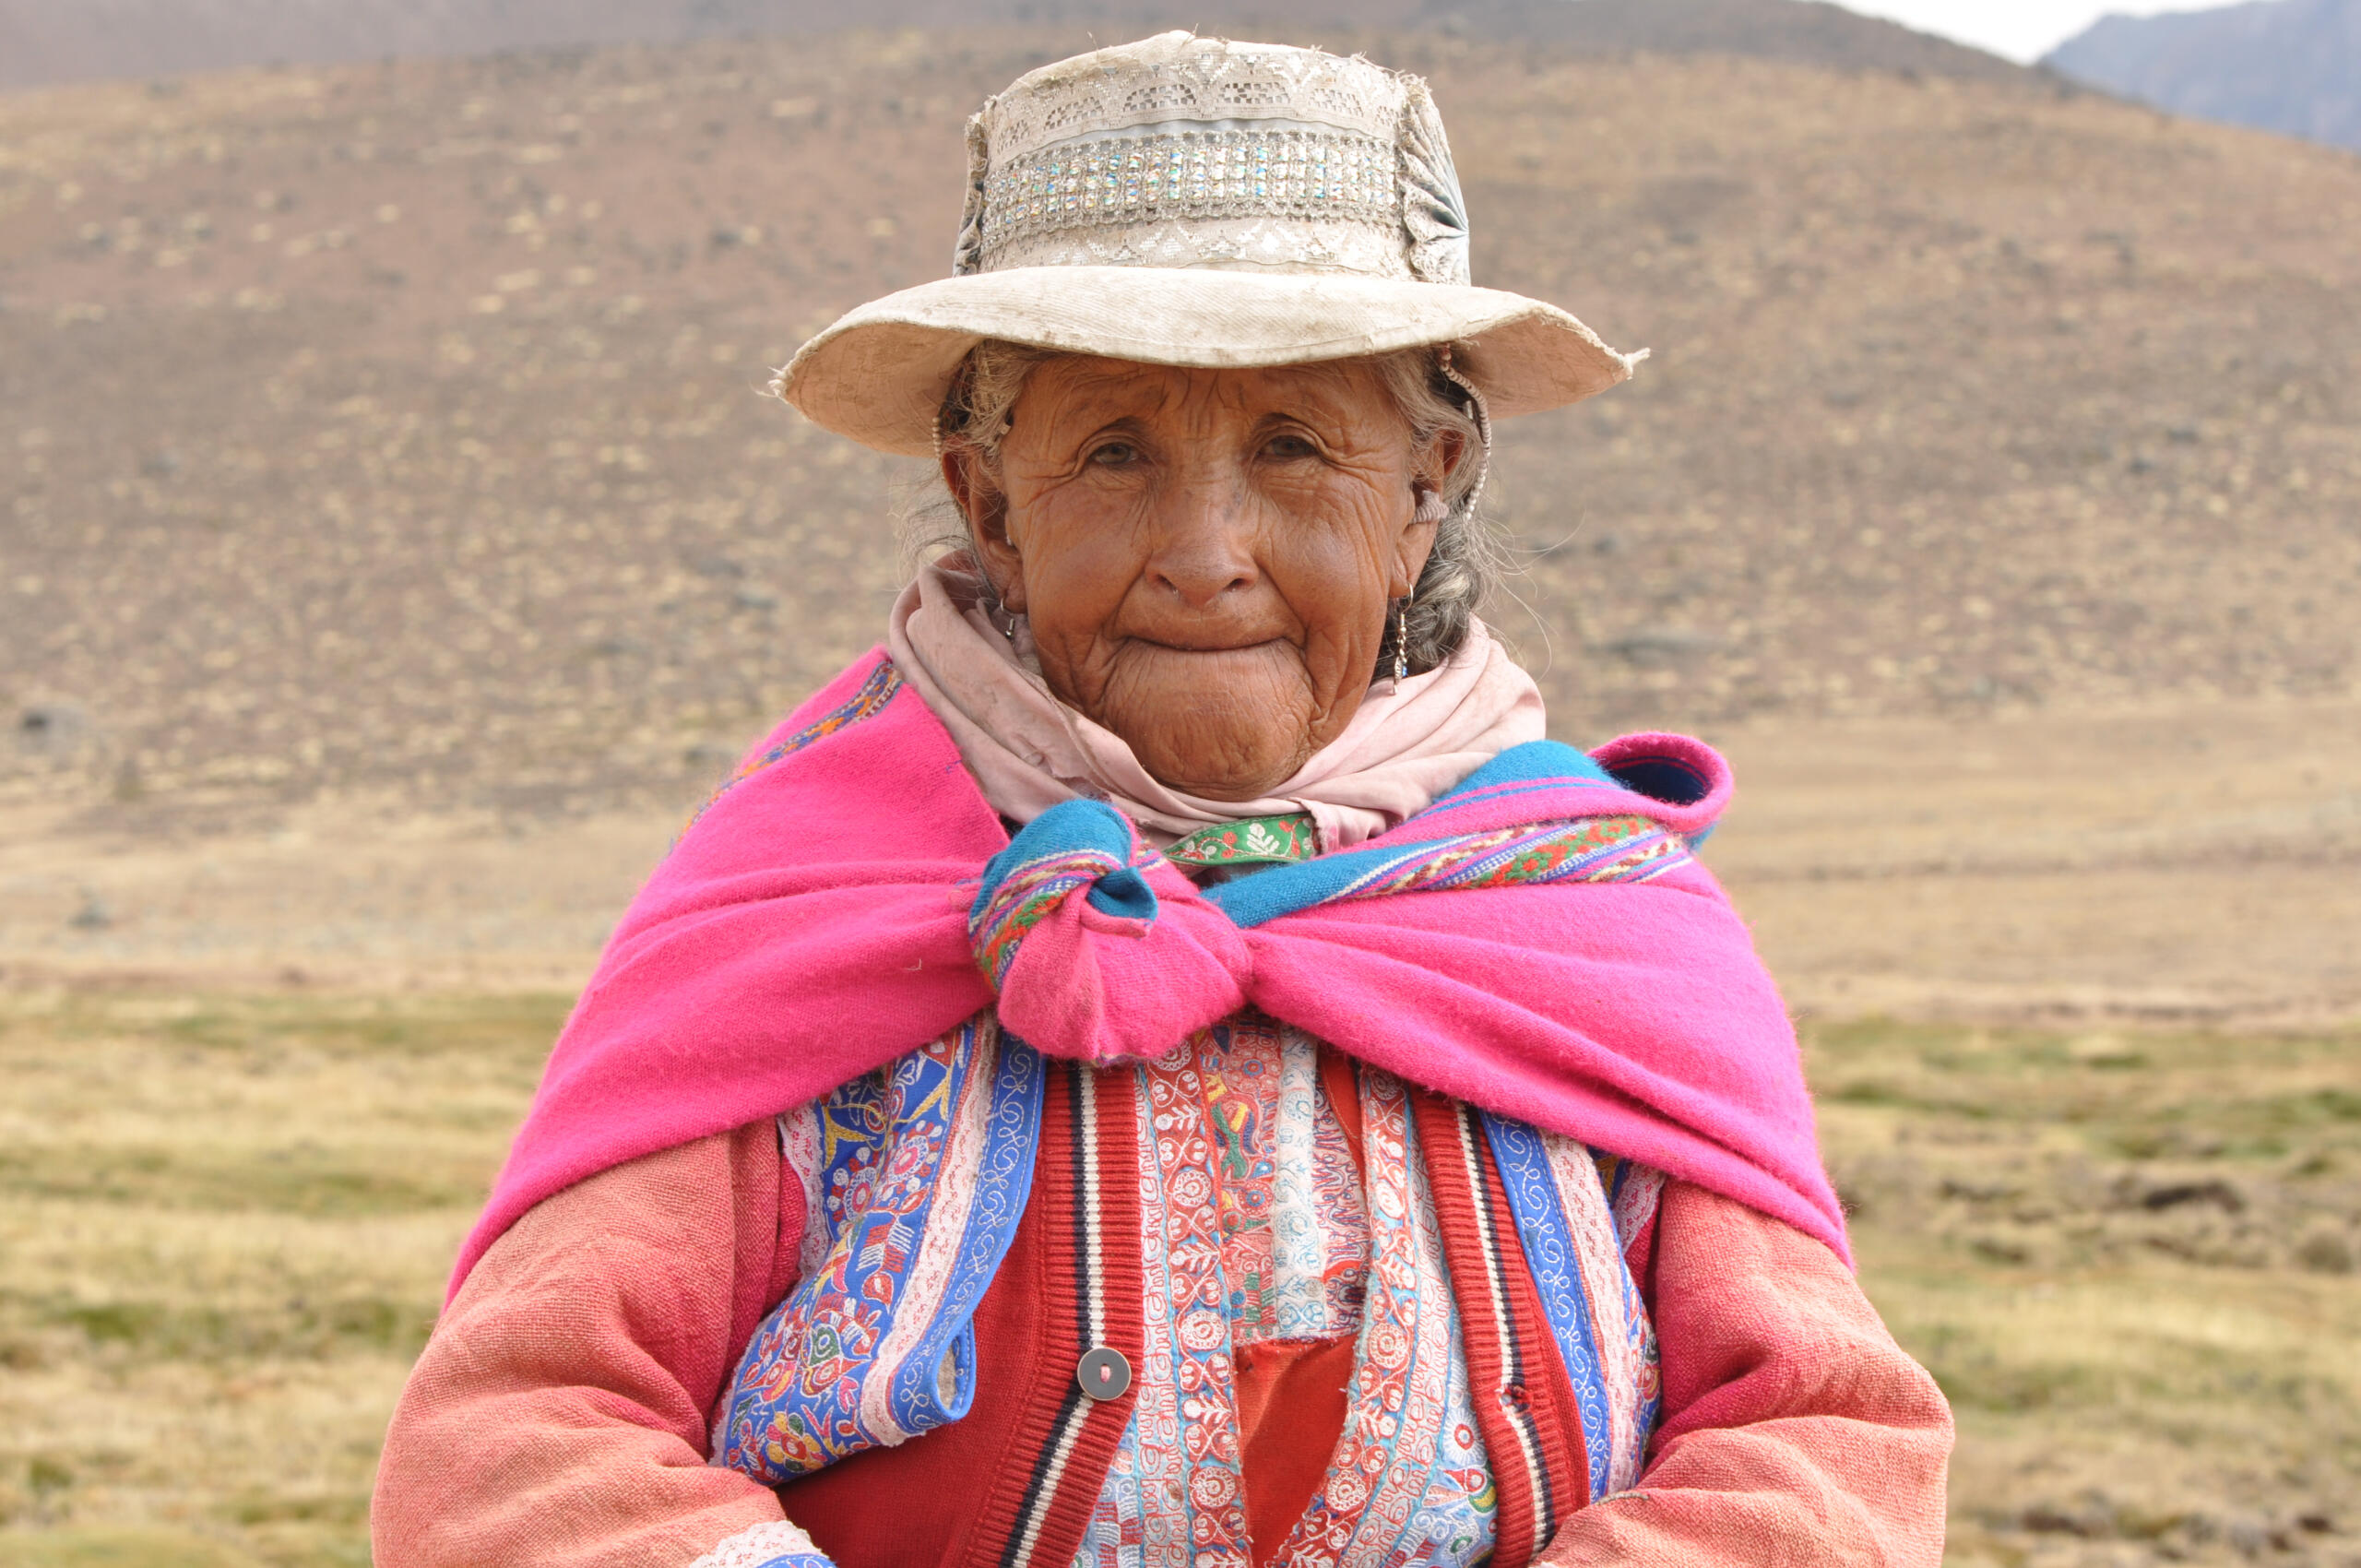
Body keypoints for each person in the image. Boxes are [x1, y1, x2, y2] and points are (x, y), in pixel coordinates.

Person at [373, 32, 1951, 1568]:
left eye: (1292, 450)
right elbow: (522, 1430)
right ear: (990, 502)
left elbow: (1823, 1433)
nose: (1206, 549)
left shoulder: (1589, 920)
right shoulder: (807, 895)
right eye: (1114, 453)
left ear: (1429, 486)